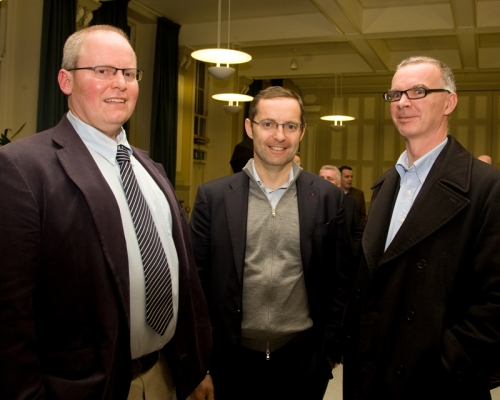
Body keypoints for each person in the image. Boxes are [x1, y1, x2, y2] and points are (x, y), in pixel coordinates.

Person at [0, 25, 212, 400]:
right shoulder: (21, 168)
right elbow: (9, 312)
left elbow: (185, 277)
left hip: (163, 378)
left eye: (128, 73)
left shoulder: (150, 169)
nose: (120, 84)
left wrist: (194, 368)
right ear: (66, 81)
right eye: (103, 71)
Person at [342, 56, 500, 400]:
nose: (402, 102)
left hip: (437, 383)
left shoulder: (487, 187)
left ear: (449, 102)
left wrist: (445, 362)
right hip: (373, 374)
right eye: (395, 94)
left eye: (418, 91)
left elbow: (496, 301)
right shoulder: (385, 185)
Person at [189, 86, 354, 400]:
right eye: (268, 124)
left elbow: (341, 281)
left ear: (302, 132)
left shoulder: (328, 198)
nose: (280, 135)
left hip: (303, 362)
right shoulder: (214, 198)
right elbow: (194, 284)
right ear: (249, 127)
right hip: (230, 363)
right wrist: (201, 364)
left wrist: (328, 352)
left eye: (290, 126)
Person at [319, 165, 364, 263]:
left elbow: (358, 232)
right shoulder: (311, 203)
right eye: (322, 178)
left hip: (343, 260)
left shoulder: (350, 203)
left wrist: (353, 254)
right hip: (317, 260)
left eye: (329, 179)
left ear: (338, 184)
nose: (324, 182)